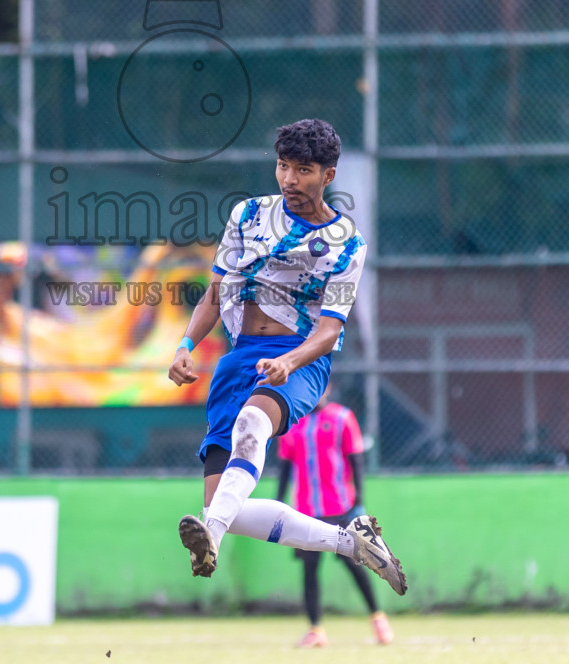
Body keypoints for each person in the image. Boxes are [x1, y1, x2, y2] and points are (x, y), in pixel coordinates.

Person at [168, 118, 406, 595]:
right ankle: (349, 542)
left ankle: (208, 537)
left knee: (252, 425)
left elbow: (329, 330)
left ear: (328, 175)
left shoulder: (346, 244)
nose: (290, 180)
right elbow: (215, 294)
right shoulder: (247, 215)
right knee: (223, 505)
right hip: (240, 361)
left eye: (303, 170)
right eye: (282, 167)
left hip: (298, 360)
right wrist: (185, 345)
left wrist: (291, 362)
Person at [276, 383, 393, 647]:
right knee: (309, 570)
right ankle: (316, 630)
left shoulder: (342, 418)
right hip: (305, 512)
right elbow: (284, 467)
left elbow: (356, 460)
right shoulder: (292, 424)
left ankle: (378, 618)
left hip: (340, 508)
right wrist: (278, 503)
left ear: (326, 387)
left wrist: (359, 500)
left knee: (355, 564)